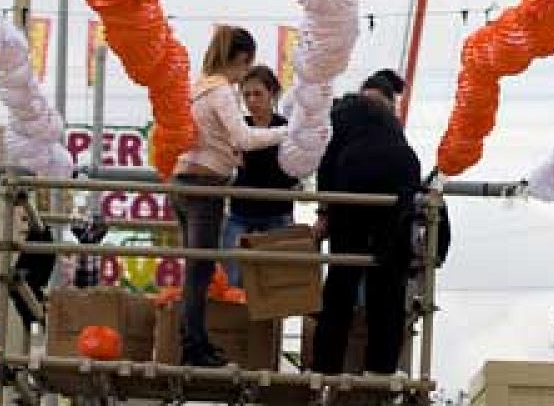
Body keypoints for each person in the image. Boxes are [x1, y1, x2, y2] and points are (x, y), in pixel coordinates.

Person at [172, 27, 287, 367]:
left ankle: (196, 341)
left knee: (197, 269)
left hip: (183, 180)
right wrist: (288, 131)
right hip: (204, 187)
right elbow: (245, 138)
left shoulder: (199, 87)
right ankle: (193, 347)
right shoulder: (220, 91)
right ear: (241, 59)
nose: (242, 81)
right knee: (200, 271)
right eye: (245, 68)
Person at [311, 70, 429, 375]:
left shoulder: (340, 111)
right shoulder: (390, 121)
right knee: (388, 275)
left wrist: (324, 212)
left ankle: (326, 367)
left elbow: (326, 161)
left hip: (356, 174)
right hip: (402, 175)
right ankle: (382, 368)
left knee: (342, 276)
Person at [220, 65, 299, 287]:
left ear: (272, 94)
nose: (252, 100)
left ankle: (273, 322)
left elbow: (295, 171)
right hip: (241, 211)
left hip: (278, 211)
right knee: (230, 278)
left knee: (278, 282)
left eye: (257, 94)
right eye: (247, 95)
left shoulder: (286, 127)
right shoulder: (239, 127)